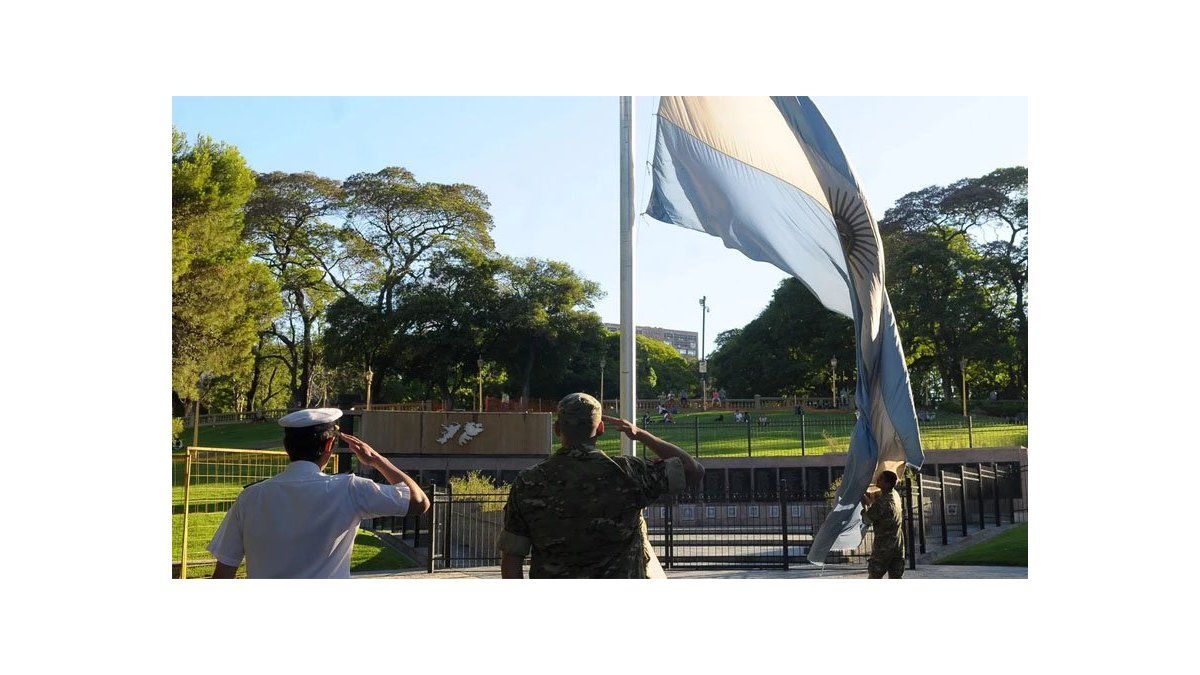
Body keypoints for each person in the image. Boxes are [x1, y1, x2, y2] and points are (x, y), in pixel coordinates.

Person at [498, 393, 704, 578]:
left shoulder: (528, 481)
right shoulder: (628, 472)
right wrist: (639, 433)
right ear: (601, 429)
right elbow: (693, 470)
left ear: (558, 429)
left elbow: (511, 559)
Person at [206, 408, 429, 579]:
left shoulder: (250, 498)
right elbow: (419, 502)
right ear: (329, 444)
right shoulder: (350, 489)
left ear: (286, 446)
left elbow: (224, 572)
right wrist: (377, 460)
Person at [861, 470, 905, 579]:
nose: (877, 480)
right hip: (897, 545)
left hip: (883, 548)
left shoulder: (882, 502)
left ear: (887, 483)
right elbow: (881, 510)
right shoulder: (895, 495)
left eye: (880, 478)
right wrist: (871, 502)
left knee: (875, 577)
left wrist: (865, 507)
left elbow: (867, 519)